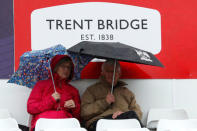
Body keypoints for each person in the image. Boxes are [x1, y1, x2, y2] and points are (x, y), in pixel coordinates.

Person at [81, 60, 143, 131]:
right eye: (108, 71)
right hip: (100, 123)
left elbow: (138, 112)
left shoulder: (127, 92)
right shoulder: (91, 90)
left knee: (131, 114)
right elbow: (84, 113)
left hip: (123, 124)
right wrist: (105, 102)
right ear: (102, 73)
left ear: (119, 74)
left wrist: (124, 114)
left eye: (115, 72)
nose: (112, 74)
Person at [27, 55, 80, 131]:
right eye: (63, 66)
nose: (66, 70)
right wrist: (51, 100)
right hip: (44, 125)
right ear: (55, 67)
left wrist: (75, 107)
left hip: (66, 125)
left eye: (69, 67)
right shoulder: (41, 85)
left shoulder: (73, 90)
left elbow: (77, 118)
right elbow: (31, 108)